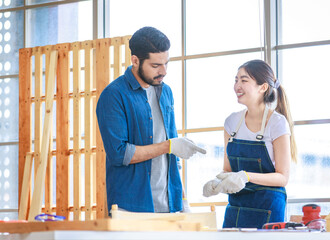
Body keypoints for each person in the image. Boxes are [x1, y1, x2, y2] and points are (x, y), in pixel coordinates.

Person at [96, 26, 206, 214]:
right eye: (155, 66)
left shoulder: (166, 92)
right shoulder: (113, 95)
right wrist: (168, 146)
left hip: (169, 205)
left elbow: (173, 152)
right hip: (130, 208)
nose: (163, 71)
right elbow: (120, 154)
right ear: (135, 61)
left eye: (166, 64)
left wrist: (183, 200)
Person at [203, 59, 297, 229]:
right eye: (236, 80)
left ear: (263, 87)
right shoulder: (231, 123)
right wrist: (218, 184)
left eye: (244, 80)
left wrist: (246, 176)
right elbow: (228, 170)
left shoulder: (276, 123)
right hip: (237, 209)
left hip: (268, 210)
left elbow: (282, 177)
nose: (237, 86)